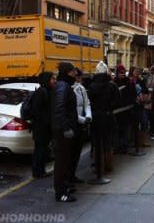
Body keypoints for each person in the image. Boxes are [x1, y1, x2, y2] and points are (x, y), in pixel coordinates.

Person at [87, 61, 120, 183]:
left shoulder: (91, 86)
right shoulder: (112, 85)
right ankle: (108, 165)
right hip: (107, 117)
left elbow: (88, 102)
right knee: (107, 142)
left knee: (96, 143)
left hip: (95, 118)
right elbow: (117, 100)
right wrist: (109, 108)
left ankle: (98, 167)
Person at [52, 62, 78, 202]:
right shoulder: (63, 86)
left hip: (64, 130)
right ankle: (61, 193)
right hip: (62, 132)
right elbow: (59, 109)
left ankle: (65, 187)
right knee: (61, 162)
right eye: (74, 71)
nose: (75, 73)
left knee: (65, 161)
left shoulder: (64, 85)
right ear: (69, 72)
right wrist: (66, 128)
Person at [31, 72, 55, 178]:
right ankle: (38, 172)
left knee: (41, 149)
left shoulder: (45, 91)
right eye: (52, 79)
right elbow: (38, 111)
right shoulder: (42, 92)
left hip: (41, 126)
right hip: (41, 127)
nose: (54, 81)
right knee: (40, 149)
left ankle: (39, 170)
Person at [70, 68, 92, 184]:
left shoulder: (81, 88)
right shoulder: (66, 89)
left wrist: (88, 116)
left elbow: (86, 103)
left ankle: (72, 174)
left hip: (80, 125)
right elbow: (70, 111)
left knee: (77, 152)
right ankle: (68, 177)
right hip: (72, 125)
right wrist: (83, 120)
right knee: (69, 154)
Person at [113, 64, 135, 154]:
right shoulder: (114, 83)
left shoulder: (129, 82)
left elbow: (132, 94)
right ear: (117, 73)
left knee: (126, 129)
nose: (122, 74)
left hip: (127, 111)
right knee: (117, 130)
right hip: (117, 111)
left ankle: (125, 147)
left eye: (123, 72)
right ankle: (117, 147)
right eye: (121, 73)